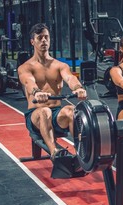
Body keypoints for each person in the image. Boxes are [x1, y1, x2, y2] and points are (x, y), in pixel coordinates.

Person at [18, 23, 87, 160]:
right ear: (32, 41)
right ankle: (54, 152)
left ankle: (81, 153)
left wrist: (78, 88)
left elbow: (70, 78)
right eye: (40, 38)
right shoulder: (25, 67)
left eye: (46, 37)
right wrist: (37, 92)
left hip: (56, 114)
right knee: (45, 111)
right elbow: (29, 82)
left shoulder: (60, 65)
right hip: (35, 115)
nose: (44, 40)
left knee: (71, 110)